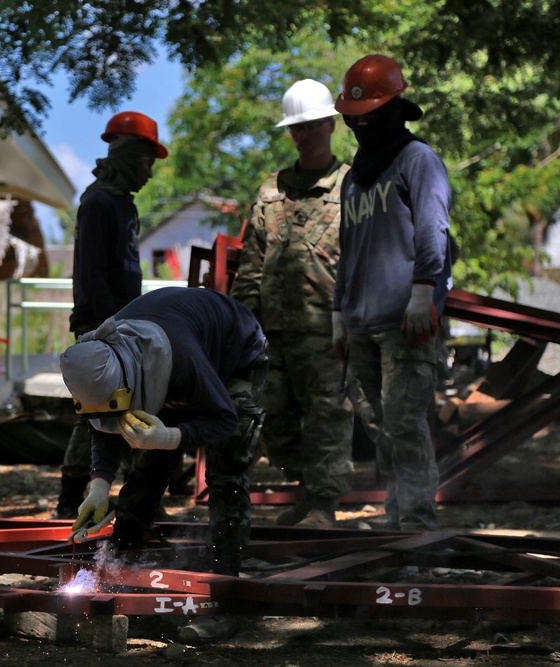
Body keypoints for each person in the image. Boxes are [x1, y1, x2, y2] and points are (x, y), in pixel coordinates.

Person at [59, 286, 268, 577]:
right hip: (181, 354)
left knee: (226, 470)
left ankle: (225, 575)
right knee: (149, 465)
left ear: (127, 380)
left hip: (236, 354)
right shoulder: (100, 356)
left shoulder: (184, 357)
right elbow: (103, 423)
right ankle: (121, 562)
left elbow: (225, 420)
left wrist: (170, 437)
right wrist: (99, 486)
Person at [332, 55, 453, 530]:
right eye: (353, 120)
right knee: (381, 430)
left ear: (394, 108)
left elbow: (433, 229)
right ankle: (397, 516)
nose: (361, 126)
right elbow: (348, 249)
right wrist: (339, 312)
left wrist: (423, 291)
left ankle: (418, 525)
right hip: (360, 323)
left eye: (369, 117)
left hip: (406, 320)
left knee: (405, 424)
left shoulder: (417, 160)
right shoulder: (353, 180)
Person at [231, 79, 354, 527]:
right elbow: (251, 262)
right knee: (274, 421)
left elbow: (364, 259)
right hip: (272, 330)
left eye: (311, 126)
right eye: (295, 128)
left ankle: (323, 505)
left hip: (328, 329)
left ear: (330, 125)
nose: (302, 135)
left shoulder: (352, 186)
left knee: (326, 419)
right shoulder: (270, 190)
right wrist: (240, 325)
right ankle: (307, 491)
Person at [52, 111, 168, 519]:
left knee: (122, 409)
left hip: (121, 326)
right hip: (101, 328)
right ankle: (70, 500)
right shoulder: (99, 202)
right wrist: (108, 332)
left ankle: (136, 501)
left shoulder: (122, 204)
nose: (149, 173)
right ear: (128, 155)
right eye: (146, 162)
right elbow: (92, 274)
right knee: (98, 413)